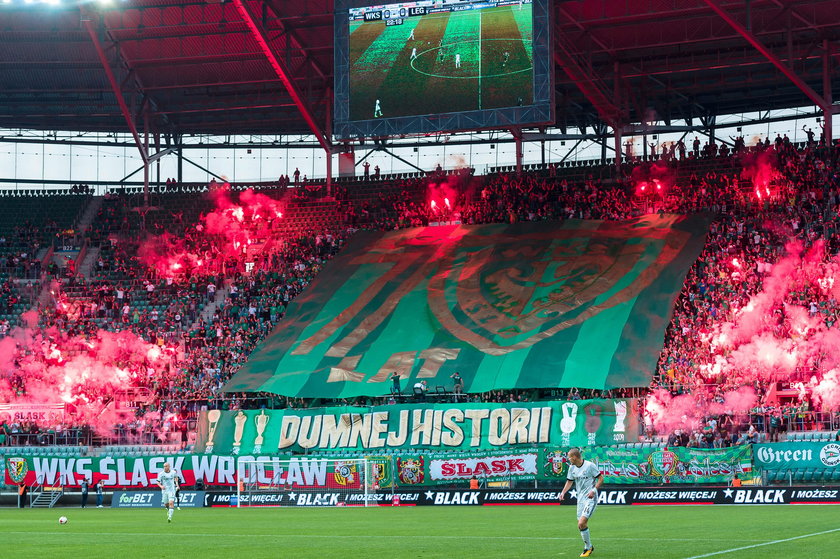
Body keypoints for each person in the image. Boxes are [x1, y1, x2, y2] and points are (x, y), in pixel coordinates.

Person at [559, 448, 603, 557]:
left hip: (590, 498)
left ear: (574, 457)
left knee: (581, 523)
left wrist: (594, 490)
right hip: (580, 499)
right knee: (581, 526)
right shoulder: (571, 468)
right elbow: (569, 481)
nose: (568, 459)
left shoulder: (589, 466)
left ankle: (587, 548)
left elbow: (601, 479)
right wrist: (563, 492)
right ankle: (590, 546)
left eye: (569, 457)